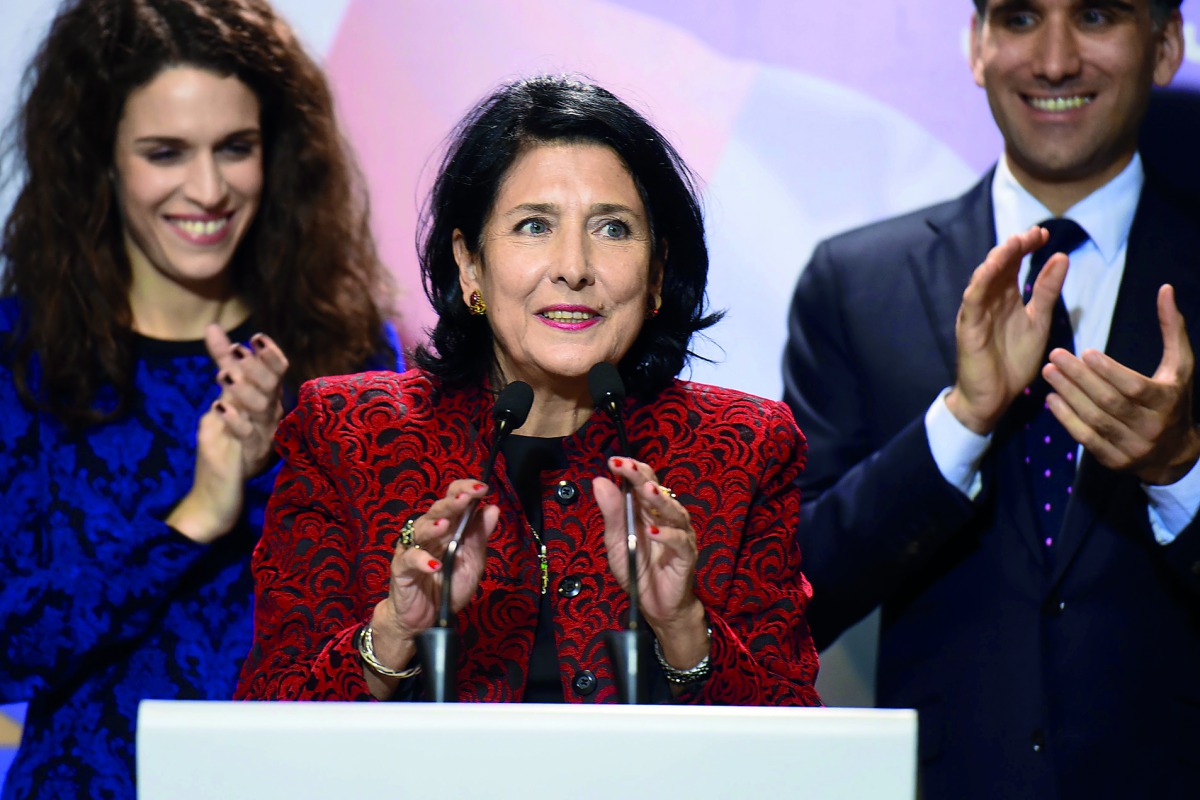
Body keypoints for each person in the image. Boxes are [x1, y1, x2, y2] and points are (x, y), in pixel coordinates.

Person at [236, 75, 821, 706]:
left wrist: (682, 627)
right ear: (468, 266)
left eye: (614, 229)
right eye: (534, 226)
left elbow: (797, 750)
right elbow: (266, 730)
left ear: (656, 276)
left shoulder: (741, 448)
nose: (573, 265)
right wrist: (396, 631)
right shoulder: (348, 434)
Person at [783, 1, 1199, 798]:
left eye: (1096, 16)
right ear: (976, 47)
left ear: (1167, 44)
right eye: (1016, 18)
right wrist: (959, 423)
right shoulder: (856, 283)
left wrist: (1182, 471)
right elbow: (792, 596)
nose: (1052, 60)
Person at [0, 1, 401, 797]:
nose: (209, 189)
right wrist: (199, 514)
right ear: (100, 157)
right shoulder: (23, 356)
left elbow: (387, 635)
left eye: (236, 149)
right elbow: (16, 643)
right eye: (165, 152)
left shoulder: (346, 352)